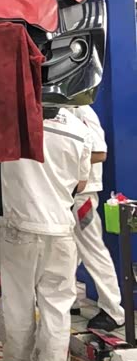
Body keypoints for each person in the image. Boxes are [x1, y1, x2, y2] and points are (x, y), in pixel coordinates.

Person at [0, 107, 92, 361]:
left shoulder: (10, 118)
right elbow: (81, 184)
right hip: (60, 232)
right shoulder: (79, 128)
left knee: (17, 306)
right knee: (57, 312)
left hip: (17, 230)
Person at [70, 105, 125, 332]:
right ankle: (70, 299)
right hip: (67, 193)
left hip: (82, 197)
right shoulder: (64, 111)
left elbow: (100, 152)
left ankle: (113, 311)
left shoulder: (83, 112)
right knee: (68, 249)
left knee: (92, 248)